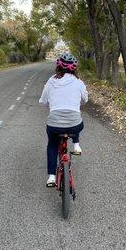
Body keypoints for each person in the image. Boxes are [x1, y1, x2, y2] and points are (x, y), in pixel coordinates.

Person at [39, 53, 88, 187]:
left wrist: (50, 102)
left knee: (52, 145)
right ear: (74, 69)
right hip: (74, 124)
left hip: (54, 124)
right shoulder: (79, 82)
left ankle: (51, 177)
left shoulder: (51, 80)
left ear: (58, 67)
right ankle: (76, 144)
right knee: (78, 121)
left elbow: (43, 101)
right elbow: (85, 99)